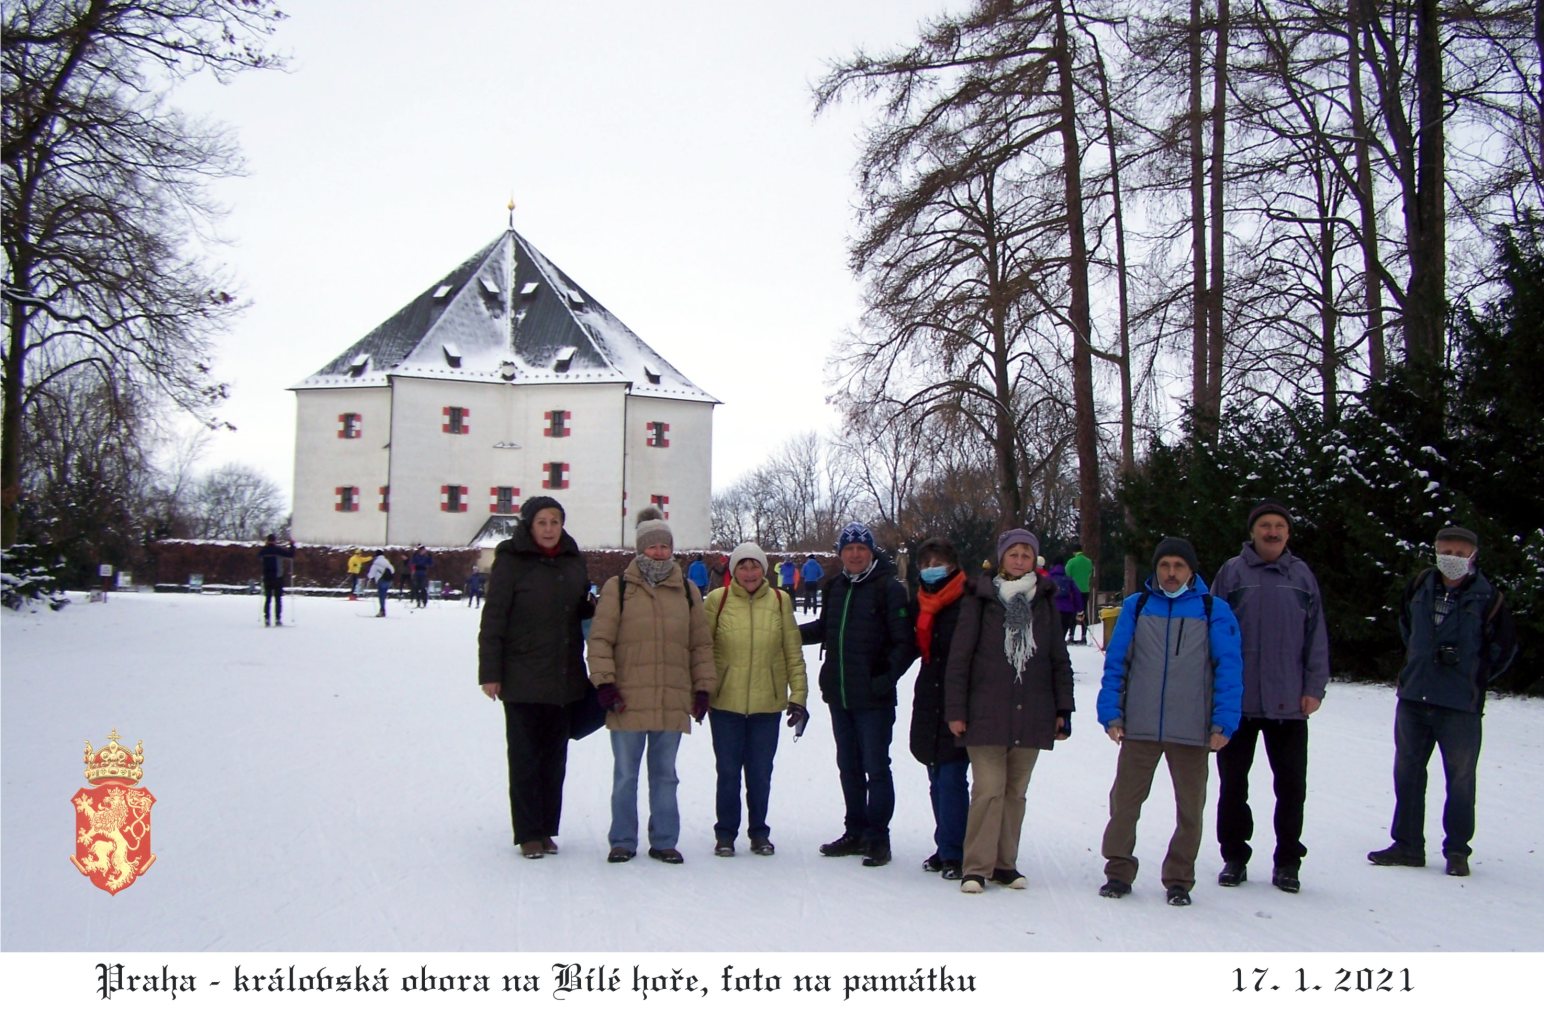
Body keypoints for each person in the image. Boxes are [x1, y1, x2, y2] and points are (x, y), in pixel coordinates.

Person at [1096, 537, 1243, 906]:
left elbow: (1229, 669)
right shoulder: (1137, 606)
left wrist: (1223, 722)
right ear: (1156, 569)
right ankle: (1118, 869)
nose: (1171, 573)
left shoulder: (1213, 610)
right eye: (1165, 566)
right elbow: (1117, 663)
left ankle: (1179, 877)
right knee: (1125, 803)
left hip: (1192, 729)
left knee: (1190, 809)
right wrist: (1111, 712)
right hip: (1140, 726)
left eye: (1179, 566)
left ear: (1191, 570)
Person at [1368, 525, 1517, 877]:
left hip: (1459, 706)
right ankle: (1407, 844)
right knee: (1407, 772)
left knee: (1461, 779)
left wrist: (1472, 676)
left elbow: (1504, 649)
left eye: (1460, 553)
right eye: (1445, 551)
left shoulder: (1488, 598)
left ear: (1473, 556)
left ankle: (1457, 850)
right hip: (1414, 698)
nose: (1452, 559)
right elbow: (1407, 628)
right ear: (1435, 551)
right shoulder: (1420, 587)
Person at [944, 530, 1074, 893]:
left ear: (1035, 561)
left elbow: (1057, 658)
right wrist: (956, 709)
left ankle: (1004, 863)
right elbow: (960, 658)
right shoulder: (980, 598)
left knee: (1016, 791)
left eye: (1026, 555)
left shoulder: (1044, 601)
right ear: (1001, 559)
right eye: (1013, 554)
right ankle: (976, 866)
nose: (1019, 560)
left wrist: (1063, 708)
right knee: (988, 789)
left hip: (1032, 709)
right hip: (985, 710)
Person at [1210, 500, 1330, 894]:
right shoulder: (1232, 573)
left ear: (1288, 533)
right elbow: (1212, 632)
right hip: (1238, 703)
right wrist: (1213, 689)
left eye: (1279, 525)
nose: (1272, 532)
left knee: (1291, 786)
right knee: (1233, 786)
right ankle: (1234, 856)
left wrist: (1314, 687)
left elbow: (1316, 637)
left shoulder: (1301, 576)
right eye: (1265, 525)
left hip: (1289, 704)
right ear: (1253, 532)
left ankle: (1288, 861)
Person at [587, 506, 716, 864]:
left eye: (664, 547)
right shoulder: (620, 587)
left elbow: (700, 644)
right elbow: (600, 639)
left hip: (671, 697)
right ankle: (623, 840)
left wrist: (702, 686)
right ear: (640, 548)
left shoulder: (688, 591)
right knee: (626, 775)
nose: (659, 552)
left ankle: (664, 840)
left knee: (665, 776)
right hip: (627, 698)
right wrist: (605, 683)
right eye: (652, 546)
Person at [477, 497, 595, 859]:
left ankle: (546, 828)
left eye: (555, 522)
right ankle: (528, 832)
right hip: (522, 676)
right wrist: (490, 673)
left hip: (564, 675)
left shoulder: (574, 561)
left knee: (554, 758)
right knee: (526, 757)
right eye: (542, 522)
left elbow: (581, 610)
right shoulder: (511, 561)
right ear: (529, 525)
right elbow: (494, 618)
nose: (548, 529)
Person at [800, 522, 914, 867]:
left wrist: (885, 679)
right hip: (840, 693)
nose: (854, 554)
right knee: (848, 766)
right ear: (840, 553)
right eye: (848, 549)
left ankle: (878, 837)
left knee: (876, 767)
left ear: (870, 552)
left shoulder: (888, 589)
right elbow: (825, 629)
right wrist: (786, 632)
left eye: (860, 549)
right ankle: (855, 830)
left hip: (874, 698)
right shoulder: (836, 586)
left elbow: (904, 644)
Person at [703, 542, 808, 857]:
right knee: (729, 771)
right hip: (725, 703)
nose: (749, 573)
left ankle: (759, 831)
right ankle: (725, 833)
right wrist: (700, 690)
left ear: (764, 569)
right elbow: (703, 650)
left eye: (755, 566)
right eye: (743, 566)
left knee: (761, 772)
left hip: (767, 703)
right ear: (734, 570)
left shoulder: (779, 601)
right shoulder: (717, 601)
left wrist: (798, 695)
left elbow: (793, 651)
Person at [907, 537, 972, 881]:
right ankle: (945, 842)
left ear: (953, 565)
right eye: (926, 563)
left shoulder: (969, 600)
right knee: (935, 774)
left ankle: (956, 850)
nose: (932, 569)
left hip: (960, 697)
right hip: (929, 694)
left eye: (939, 563)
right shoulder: (921, 602)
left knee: (951, 777)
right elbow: (909, 646)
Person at [257, 534, 296, 627]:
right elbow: (291, 555)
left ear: (267, 540)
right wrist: (292, 545)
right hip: (278, 577)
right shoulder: (278, 550)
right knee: (278, 599)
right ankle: (278, 619)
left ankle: (267, 618)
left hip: (267, 577)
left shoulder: (263, 551)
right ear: (275, 541)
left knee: (268, 599)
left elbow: (259, 557)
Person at [1064, 543, 1093, 644]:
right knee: (1083, 612)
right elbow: (1090, 573)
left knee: (1073, 613)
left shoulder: (1071, 562)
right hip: (1085, 590)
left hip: (1074, 591)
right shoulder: (1088, 562)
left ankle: (1071, 635)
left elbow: (1067, 575)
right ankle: (1084, 636)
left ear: (1074, 552)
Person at [1049, 560, 1083, 644]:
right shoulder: (1068, 579)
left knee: (1051, 634)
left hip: (1051, 609)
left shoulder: (1048, 579)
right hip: (1067, 610)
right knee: (1062, 634)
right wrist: (1079, 608)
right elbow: (1076, 594)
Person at [366, 550, 394, 617]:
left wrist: (369, 577)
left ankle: (382, 611)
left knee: (381, 596)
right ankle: (383, 610)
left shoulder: (376, 563)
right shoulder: (386, 561)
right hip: (388, 580)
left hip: (381, 580)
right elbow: (392, 570)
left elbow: (371, 574)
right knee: (384, 596)